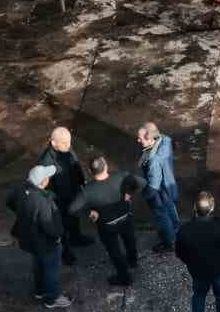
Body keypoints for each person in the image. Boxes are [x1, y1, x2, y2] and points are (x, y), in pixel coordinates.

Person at [69, 156, 141, 286]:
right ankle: (133, 261)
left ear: (90, 172)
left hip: (107, 226)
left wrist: (89, 212)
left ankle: (124, 277)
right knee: (130, 240)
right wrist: (129, 193)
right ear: (106, 166)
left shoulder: (87, 191)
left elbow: (72, 209)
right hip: (125, 218)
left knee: (114, 250)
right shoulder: (121, 177)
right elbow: (140, 182)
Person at [6, 165, 71, 309]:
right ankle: (51, 298)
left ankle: (39, 290)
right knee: (51, 269)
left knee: (38, 264)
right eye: (47, 177)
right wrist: (59, 235)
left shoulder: (20, 190)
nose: (49, 178)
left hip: (29, 239)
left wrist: (23, 214)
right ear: (43, 182)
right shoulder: (42, 201)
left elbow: (9, 202)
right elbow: (49, 226)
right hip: (45, 242)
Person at [37, 127, 92, 265]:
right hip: (58, 199)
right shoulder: (45, 162)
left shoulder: (67, 149)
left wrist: (82, 181)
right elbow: (45, 185)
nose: (68, 146)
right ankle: (65, 251)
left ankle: (76, 237)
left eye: (69, 142)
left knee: (74, 216)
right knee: (61, 226)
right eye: (64, 143)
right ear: (53, 143)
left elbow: (76, 165)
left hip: (72, 191)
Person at [176, 191, 220, 312]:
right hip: (219, 271)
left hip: (197, 272)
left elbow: (180, 253)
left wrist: (190, 262)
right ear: (212, 208)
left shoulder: (185, 230)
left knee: (199, 296)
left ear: (194, 208)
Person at [137, 121, 181, 252]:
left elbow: (153, 186)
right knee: (171, 208)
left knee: (161, 217)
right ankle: (176, 230)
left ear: (150, 139)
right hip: (170, 186)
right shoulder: (165, 140)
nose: (137, 140)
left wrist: (144, 195)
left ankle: (169, 242)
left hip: (159, 195)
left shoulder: (153, 160)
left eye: (140, 138)